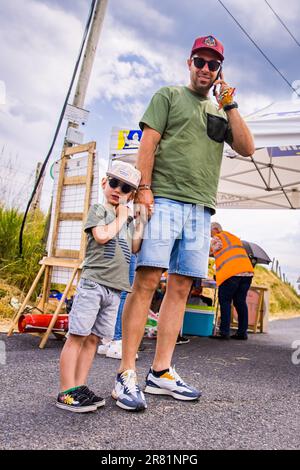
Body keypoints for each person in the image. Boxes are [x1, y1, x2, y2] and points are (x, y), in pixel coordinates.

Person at [112, 35, 255, 412]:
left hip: (201, 209)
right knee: (146, 281)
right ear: (188, 62)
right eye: (199, 61)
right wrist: (144, 188)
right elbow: (148, 143)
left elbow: (247, 147)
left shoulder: (222, 111)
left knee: (180, 288)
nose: (205, 69)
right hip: (163, 200)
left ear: (219, 70)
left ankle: (160, 372)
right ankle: (126, 372)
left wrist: (231, 104)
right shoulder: (168, 96)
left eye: (212, 64)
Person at [56, 161, 146, 413]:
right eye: (114, 183)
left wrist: (139, 220)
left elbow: (136, 248)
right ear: (105, 183)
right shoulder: (100, 209)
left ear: (131, 194)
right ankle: (66, 390)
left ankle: (79, 386)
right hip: (94, 284)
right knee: (77, 336)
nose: (118, 189)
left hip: (114, 289)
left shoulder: (126, 219)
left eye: (126, 188)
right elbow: (102, 236)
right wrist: (121, 217)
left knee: (94, 339)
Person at [210, 222, 254, 340]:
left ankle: (224, 332)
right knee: (240, 302)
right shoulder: (233, 237)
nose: (209, 234)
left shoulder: (218, 237)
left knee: (225, 301)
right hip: (247, 273)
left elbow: (210, 250)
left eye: (210, 232)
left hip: (231, 274)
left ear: (215, 229)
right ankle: (242, 333)